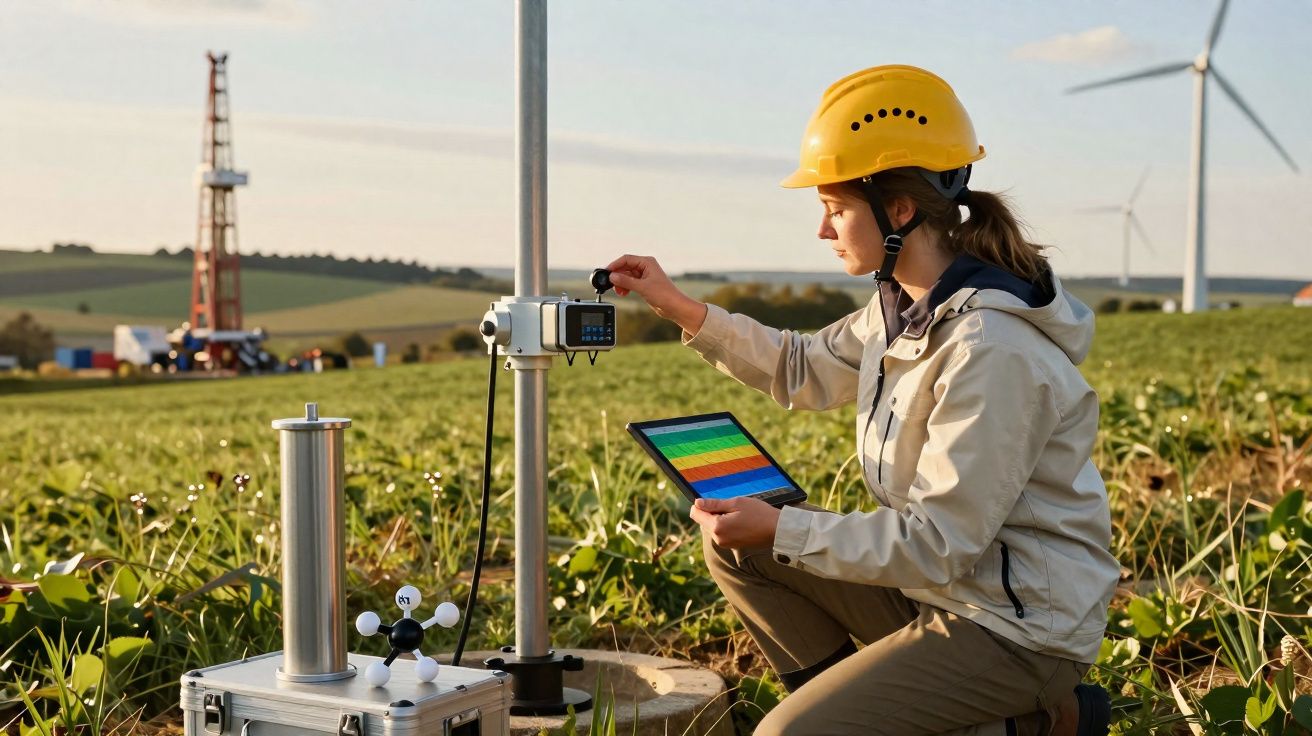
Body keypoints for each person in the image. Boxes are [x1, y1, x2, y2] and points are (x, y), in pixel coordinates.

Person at [605, 65, 1120, 736]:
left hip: (1015, 627)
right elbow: (801, 366)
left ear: (899, 210)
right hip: (938, 593)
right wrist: (678, 307)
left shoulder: (991, 349)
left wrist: (783, 526)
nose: (824, 229)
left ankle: (1042, 718)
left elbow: (939, 542)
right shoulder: (903, 310)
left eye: (836, 208)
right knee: (740, 549)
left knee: (785, 734)